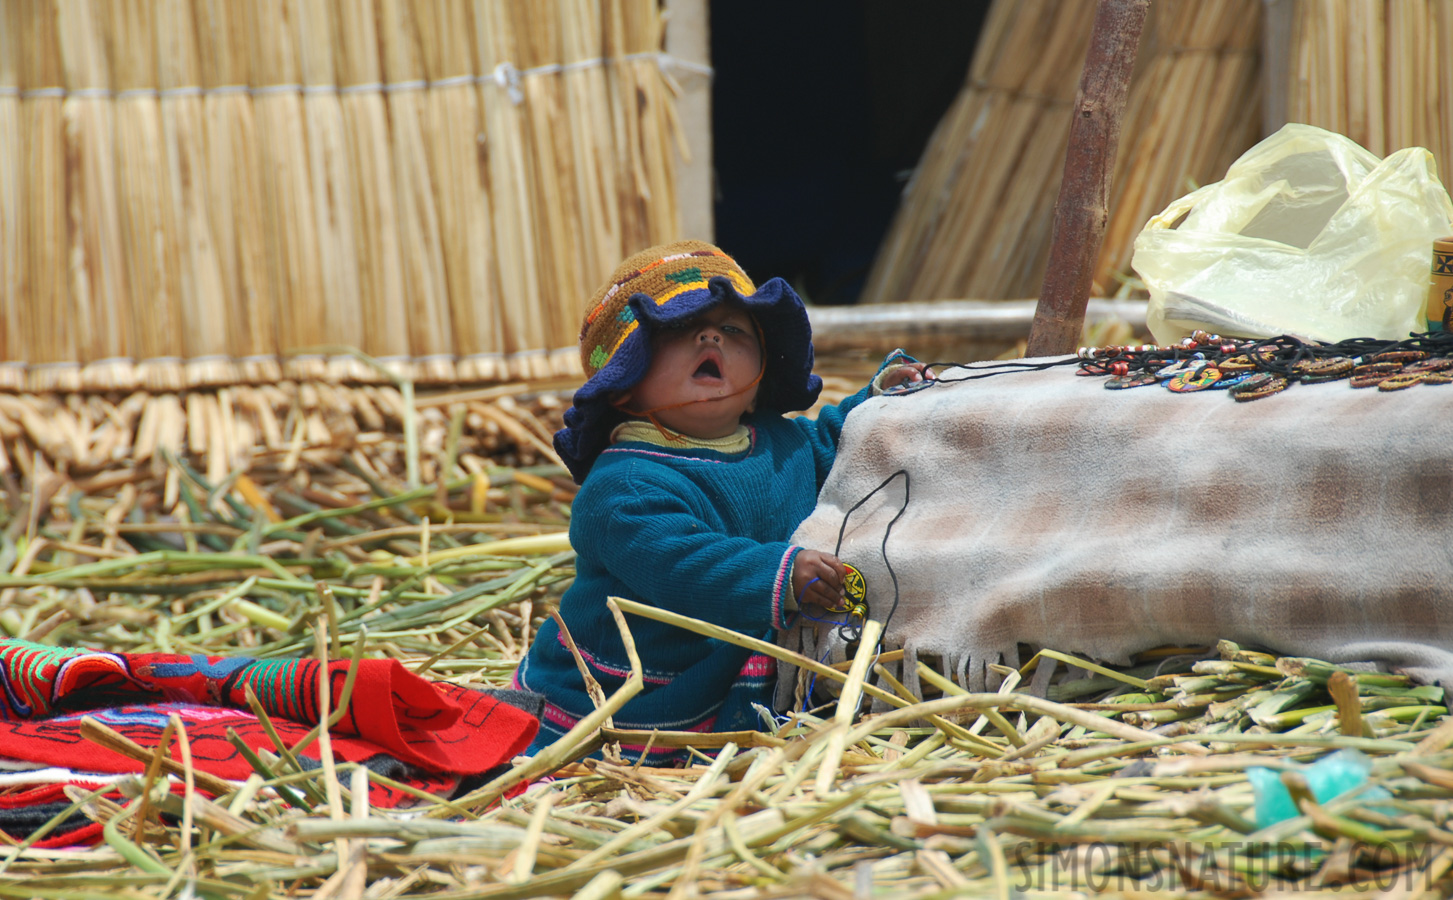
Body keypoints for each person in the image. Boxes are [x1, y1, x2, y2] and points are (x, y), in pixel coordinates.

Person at [514, 240, 925, 763]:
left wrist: (877, 402)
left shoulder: (779, 443)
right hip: (628, 700)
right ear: (624, 385)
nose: (710, 335)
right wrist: (781, 573)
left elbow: (835, 443)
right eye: (678, 330)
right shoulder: (624, 486)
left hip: (735, 673)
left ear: (757, 381)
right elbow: (682, 562)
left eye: (734, 329)